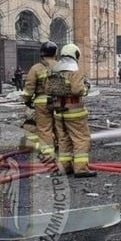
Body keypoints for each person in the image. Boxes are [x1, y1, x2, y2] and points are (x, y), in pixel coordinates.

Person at [47, 43, 96, 177]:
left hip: (59, 112)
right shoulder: (75, 70)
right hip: (75, 112)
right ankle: (81, 169)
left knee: (64, 140)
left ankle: (64, 167)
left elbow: (48, 89)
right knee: (80, 139)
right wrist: (86, 88)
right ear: (75, 54)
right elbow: (77, 90)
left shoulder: (55, 69)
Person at [21, 41, 58, 160]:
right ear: (55, 53)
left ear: (41, 53)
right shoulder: (61, 66)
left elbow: (29, 88)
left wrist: (27, 100)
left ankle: (48, 154)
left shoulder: (36, 68)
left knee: (44, 129)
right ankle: (64, 153)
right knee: (60, 128)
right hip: (59, 102)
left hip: (42, 103)